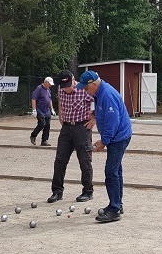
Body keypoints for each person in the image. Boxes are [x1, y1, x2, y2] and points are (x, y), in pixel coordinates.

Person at [77, 70, 132, 223]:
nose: (85, 91)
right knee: (116, 170)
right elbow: (108, 113)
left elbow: (113, 121)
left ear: (94, 84)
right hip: (118, 135)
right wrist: (96, 113)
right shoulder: (100, 92)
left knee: (111, 172)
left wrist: (104, 141)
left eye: (86, 88)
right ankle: (117, 204)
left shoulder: (106, 94)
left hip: (118, 137)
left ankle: (114, 210)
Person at [47, 70, 96, 204]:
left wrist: (94, 119)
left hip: (82, 127)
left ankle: (87, 191)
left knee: (84, 161)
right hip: (66, 128)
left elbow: (98, 100)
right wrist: (60, 113)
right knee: (60, 160)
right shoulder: (60, 89)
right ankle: (57, 191)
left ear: (73, 80)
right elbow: (61, 101)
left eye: (68, 86)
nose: (66, 89)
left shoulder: (83, 89)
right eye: (64, 86)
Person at [30, 76, 56, 146]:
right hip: (40, 109)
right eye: (49, 84)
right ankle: (33, 135)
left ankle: (44, 140)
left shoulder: (48, 89)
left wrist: (52, 109)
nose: (50, 85)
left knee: (47, 125)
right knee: (41, 124)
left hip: (47, 110)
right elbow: (33, 99)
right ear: (46, 82)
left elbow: (49, 99)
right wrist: (34, 110)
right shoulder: (39, 89)